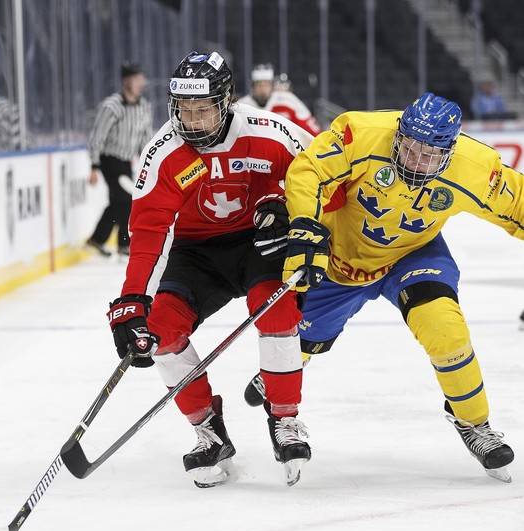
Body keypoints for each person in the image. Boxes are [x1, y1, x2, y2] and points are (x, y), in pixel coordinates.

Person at [245, 92, 523, 483]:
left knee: (445, 328)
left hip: (413, 256)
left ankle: (473, 422)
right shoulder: (359, 133)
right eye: (409, 148)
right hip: (342, 261)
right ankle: (287, 370)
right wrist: (306, 225)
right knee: (298, 340)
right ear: (398, 135)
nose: (415, 161)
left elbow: (520, 204)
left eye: (429, 155)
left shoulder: (475, 167)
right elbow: (308, 171)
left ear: (449, 152)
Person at [106, 51, 315, 488]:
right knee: (160, 331)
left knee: (275, 312)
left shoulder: (269, 131)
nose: (192, 120)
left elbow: (320, 174)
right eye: (184, 109)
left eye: (203, 109)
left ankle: (285, 419)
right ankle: (208, 432)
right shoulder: (164, 151)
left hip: (259, 242)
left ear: (227, 101)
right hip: (195, 253)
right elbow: (148, 230)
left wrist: (290, 208)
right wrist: (132, 299)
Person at [86, 62, 153, 257]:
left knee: (117, 202)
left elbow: (144, 139)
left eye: (142, 79)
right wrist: (94, 166)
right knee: (127, 199)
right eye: (136, 79)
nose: (141, 83)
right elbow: (97, 137)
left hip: (125, 162)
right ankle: (125, 243)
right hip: (109, 160)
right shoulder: (111, 106)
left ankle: (97, 239)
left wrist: (148, 162)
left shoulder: (144, 107)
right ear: (126, 82)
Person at [238, 63, 321, 136]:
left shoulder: (287, 100)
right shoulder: (242, 106)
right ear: (252, 86)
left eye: (266, 85)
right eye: (259, 85)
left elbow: (313, 130)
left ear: (272, 85)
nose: (263, 89)